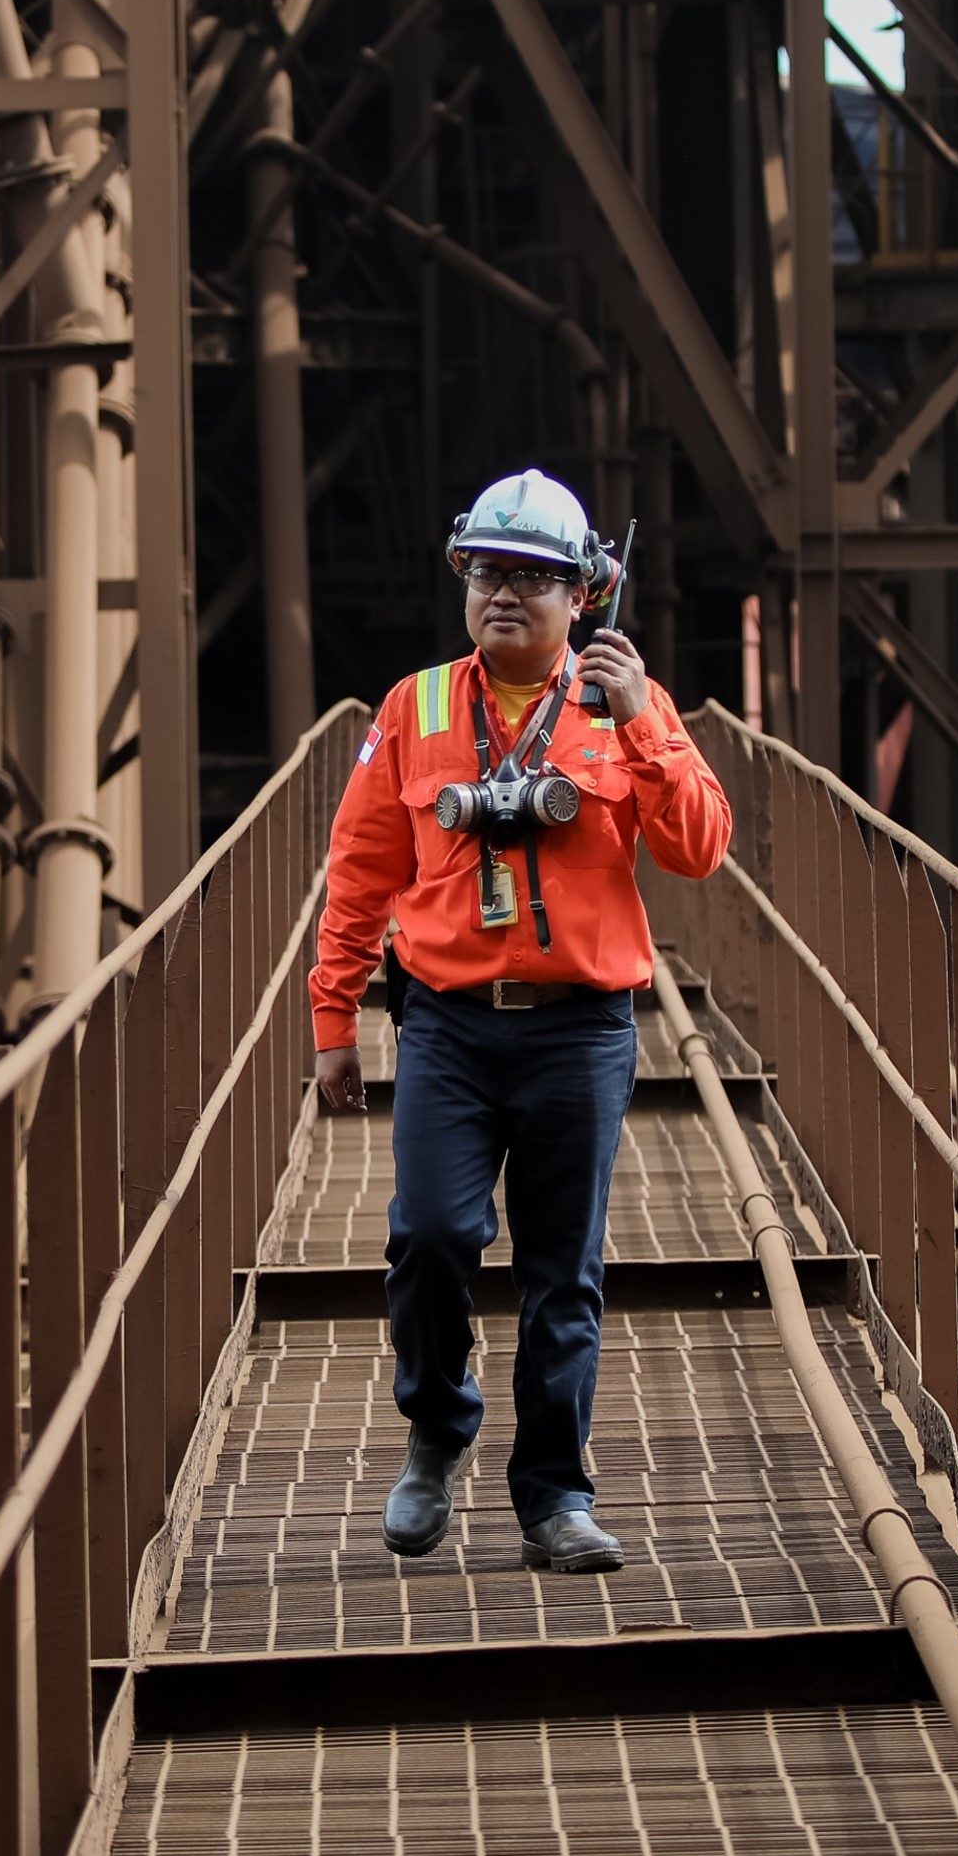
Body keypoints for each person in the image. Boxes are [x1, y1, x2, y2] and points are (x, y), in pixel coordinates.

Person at [309, 468, 732, 1574]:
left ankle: (555, 1496)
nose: (505, 593)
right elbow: (358, 870)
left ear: (581, 595)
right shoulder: (416, 707)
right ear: (462, 579)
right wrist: (334, 1017)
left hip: (580, 1025)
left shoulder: (619, 704)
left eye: (533, 577)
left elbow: (698, 847)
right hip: (446, 1020)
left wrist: (643, 723)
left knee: (562, 1269)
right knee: (432, 1236)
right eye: (487, 572)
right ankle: (437, 1429)